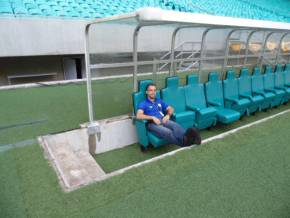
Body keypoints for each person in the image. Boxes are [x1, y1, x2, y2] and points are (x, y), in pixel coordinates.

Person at [136, 83, 201, 148]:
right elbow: (138, 115)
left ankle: (187, 137)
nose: (153, 92)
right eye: (150, 90)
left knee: (176, 126)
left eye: (154, 90)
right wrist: (152, 118)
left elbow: (171, 108)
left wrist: (168, 115)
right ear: (147, 92)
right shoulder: (143, 103)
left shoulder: (159, 101)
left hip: (163, 119)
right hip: (152, 124)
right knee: (168, 132)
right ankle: (186, 141)